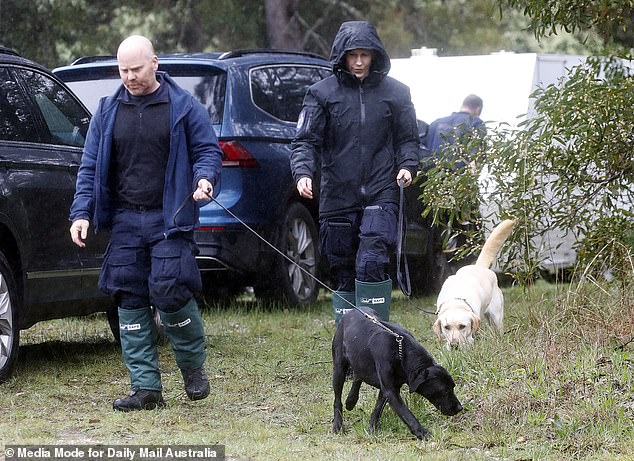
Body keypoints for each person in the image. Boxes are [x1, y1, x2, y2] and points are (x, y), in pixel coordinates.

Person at [69, 35, 222, 411]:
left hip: (169, 217)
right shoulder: (106, 111)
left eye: (136, 69)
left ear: (154, 62)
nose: (129, 77)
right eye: (122, 70)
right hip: (124, 219)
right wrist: (81, 213)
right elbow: (89, 168)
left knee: (170, 290)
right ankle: (146, 388)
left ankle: (192, 369)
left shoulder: (183, 106)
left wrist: (205, 178)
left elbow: (207, 151)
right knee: (129, 295)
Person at [290, 21, 420, 323]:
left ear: (375, 55)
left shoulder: (397, 93)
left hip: (382, 190)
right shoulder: (320, 94)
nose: (359, 62)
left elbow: (408, 139)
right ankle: (348, 346)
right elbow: (305, 140)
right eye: (353, 55)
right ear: (342, 56)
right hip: (337, 193)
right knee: (341, 267)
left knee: (372, 260)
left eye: (365, 54)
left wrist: (407, 166)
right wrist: (302, 173)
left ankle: (377, 339)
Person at [425, 94, 486, 169]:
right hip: (456, 176)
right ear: (478, 109)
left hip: (430, 174)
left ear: (463, 105)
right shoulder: (477, 124)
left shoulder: (436, 123)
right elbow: (477, 155)